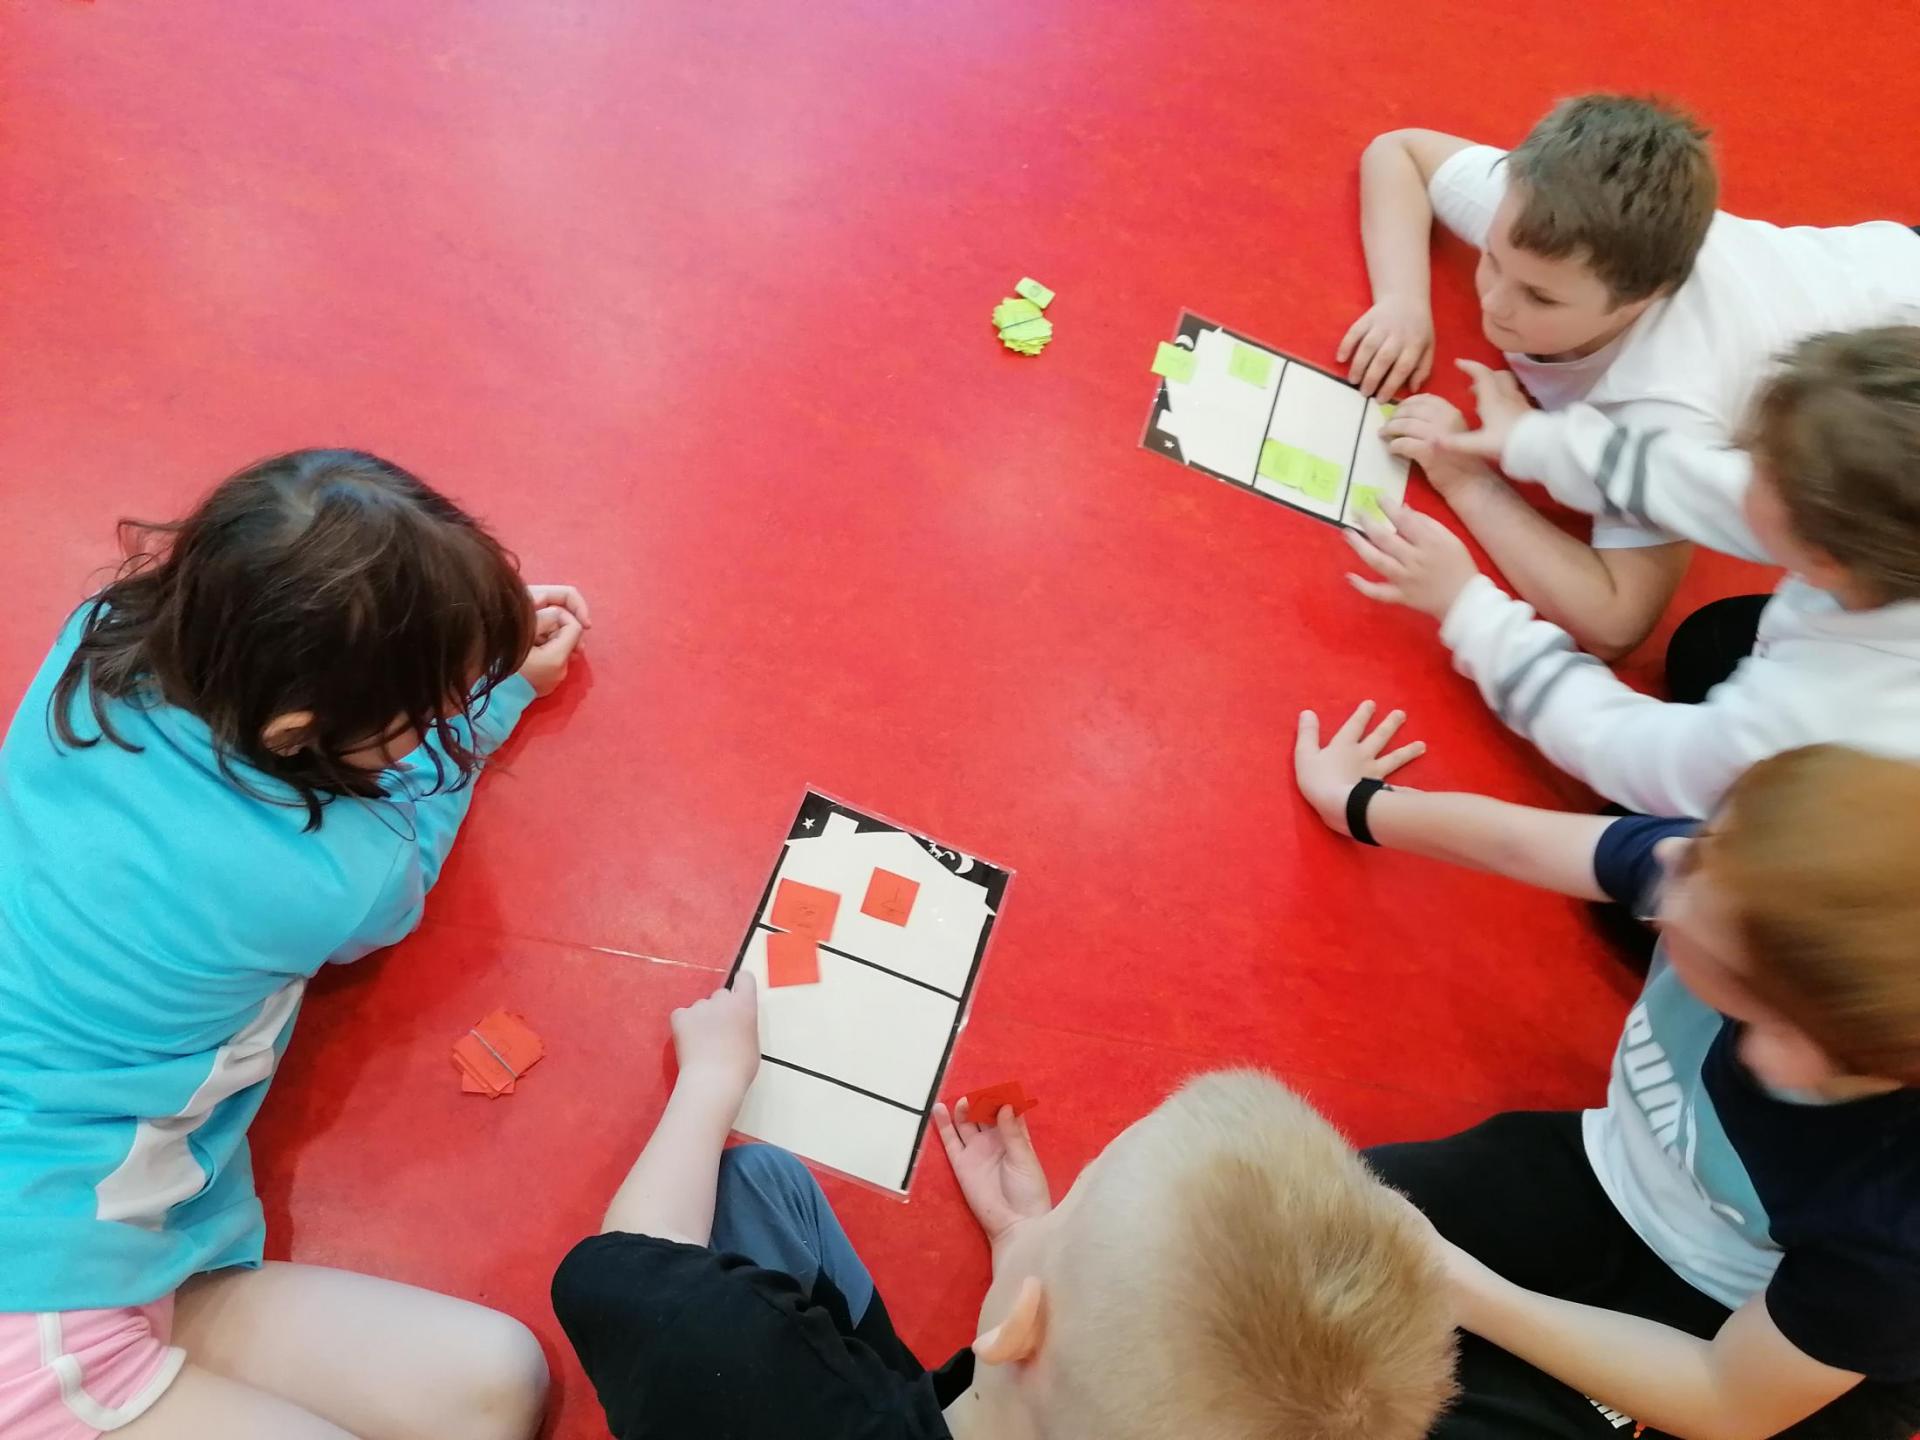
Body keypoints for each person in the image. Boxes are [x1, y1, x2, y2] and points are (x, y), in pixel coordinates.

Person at [0, 450, 588, 1439]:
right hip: (34, 1313)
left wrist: (444, 639)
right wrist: (501, 697)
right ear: (295, 731)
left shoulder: (100, 636)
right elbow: (401, 850)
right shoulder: (336, 876)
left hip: (116, 1235)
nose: (446, 714)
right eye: (427, 708)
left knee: (497, 1386)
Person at [1292, 700, 1920, 1439]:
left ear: (1779, 1046)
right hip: (1608, 1175)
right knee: (1288, 1235)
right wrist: (1359, 803)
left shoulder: (1895, 1216)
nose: (1668, 856)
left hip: (1742, 1335)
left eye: (1693, 879)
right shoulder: (1741, 880)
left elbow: (1724, 1397)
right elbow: (1524, 843)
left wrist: (1455, 1282)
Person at [552, 973, 1457, 1440]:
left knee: (745, 1187)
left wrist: (714, 1075)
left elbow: (614, 1271)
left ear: (1019, 1331)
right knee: (771, 1188)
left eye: (1075, 1202)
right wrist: (1030, 1237)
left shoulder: (736, 1375)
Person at [1343, 93, 1920, 662]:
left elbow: (1617, 620)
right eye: (1491, 259)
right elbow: (1401, 152)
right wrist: (1402, 300)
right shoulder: (1539, 214)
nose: (1493, 302)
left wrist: (1469, 481)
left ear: (1641, 300)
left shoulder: (1662, 400)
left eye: (1540, 298)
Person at [1341, 326, 1920, 819]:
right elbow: (1703, 484)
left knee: (1639, 842)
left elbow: (1630, 751)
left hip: (1854, 835)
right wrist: (1532, 441)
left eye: (1759, 467)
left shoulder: (1814, 707)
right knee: (1708, 645)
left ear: (1824, 560)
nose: (1739, 470)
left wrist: (1469, 608)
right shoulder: (1879, 534)